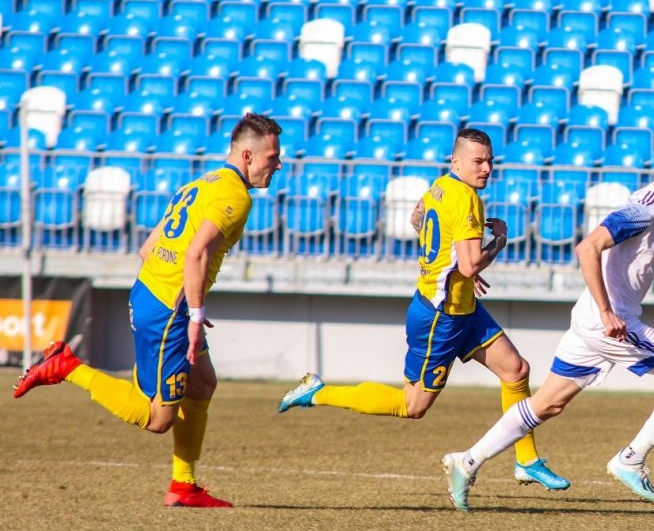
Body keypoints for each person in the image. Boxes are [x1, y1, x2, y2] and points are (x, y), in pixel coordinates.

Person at [441, 133, 654, 512]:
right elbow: (588, 247)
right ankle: (630, 459)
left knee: (547, 403)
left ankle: (466, 462)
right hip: (610, 322)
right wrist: (606, 311)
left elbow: (653, 263)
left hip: (591, 321)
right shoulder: (644, 209)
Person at [13, 113, 284, 508]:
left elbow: (148, 247)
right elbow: (196, 253)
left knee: (202, 384)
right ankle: (67, 366)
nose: (278, 164)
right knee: (158, 418)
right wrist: (190, 314)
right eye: (272, 157)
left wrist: (183, 299)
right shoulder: (235, 196)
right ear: (247, 155)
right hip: (168, 310)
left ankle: (184, 486)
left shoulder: (202, 183)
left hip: (153, 294)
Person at [277, 128, 570, 490]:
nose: (487, 168)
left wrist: (458, 269)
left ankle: (527, 460)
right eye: (479, 161)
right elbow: (469, 264)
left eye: (491, 161)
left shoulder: (438, 187)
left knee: (515, 369)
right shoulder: (466, 199)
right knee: (412, 405)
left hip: (462, 307)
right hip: (440, 317)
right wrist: (497, 243)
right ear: (457, 161)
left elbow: (418, 221)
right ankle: (318, 391)